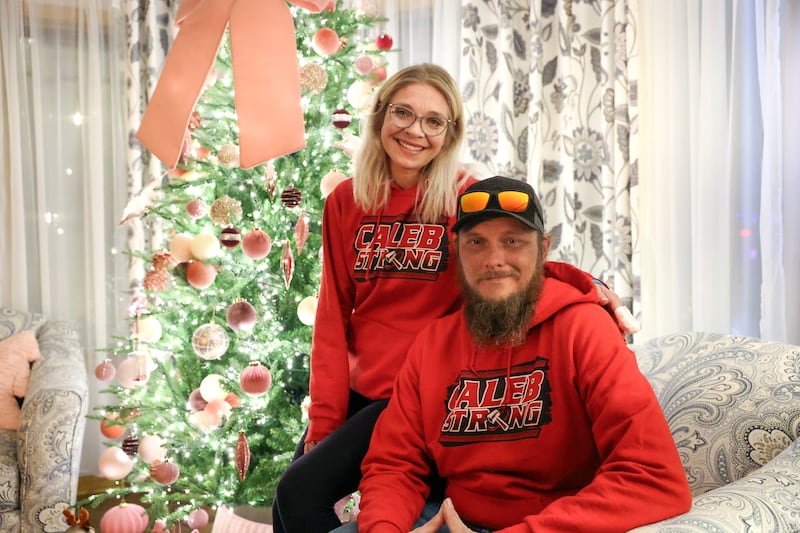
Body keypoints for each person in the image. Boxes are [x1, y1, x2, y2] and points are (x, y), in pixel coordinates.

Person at [271, 65, 639, 533]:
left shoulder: (461, 197)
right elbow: (331, 317)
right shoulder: (345, 201)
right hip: (357, 389)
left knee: (298, 492)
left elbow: (509, 266)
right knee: (292, 494)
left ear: (449, 134)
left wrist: (591, 289)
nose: (415, 131)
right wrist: (324, 422)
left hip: (417, 388)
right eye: (402, 113)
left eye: (433, 121)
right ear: (381, 116)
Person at [332, 176, 691, 533]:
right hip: (451, 520)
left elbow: (654, 477)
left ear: (543, 248)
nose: (494, 259)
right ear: (457, 251)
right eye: (476, 242)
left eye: (513, 241)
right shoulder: (432, 343)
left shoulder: (584, 328)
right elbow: (394, 464)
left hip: (554, 524)